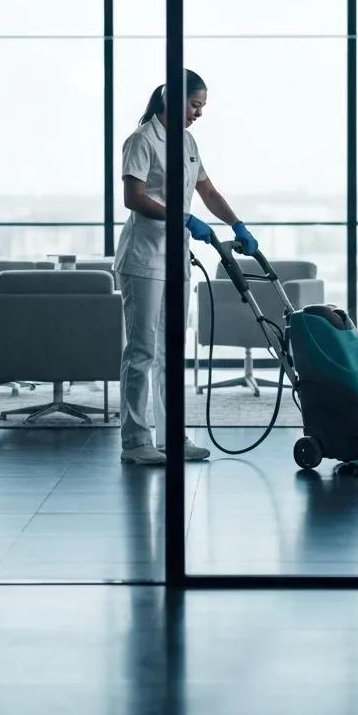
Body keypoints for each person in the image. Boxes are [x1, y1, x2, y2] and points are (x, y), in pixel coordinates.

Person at [113, 70, 260, 465]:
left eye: (202, 107)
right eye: (195, 105)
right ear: (172, 100)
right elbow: (133, 197)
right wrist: (182, 219)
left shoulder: (189, 141)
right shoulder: (142, 140)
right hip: (143, 259)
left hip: (174, 259)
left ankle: (172, 436)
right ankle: (135, 442)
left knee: (170, 352)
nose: (199, 113)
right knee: (142, 350)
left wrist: (237, 225)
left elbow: (207, 190)